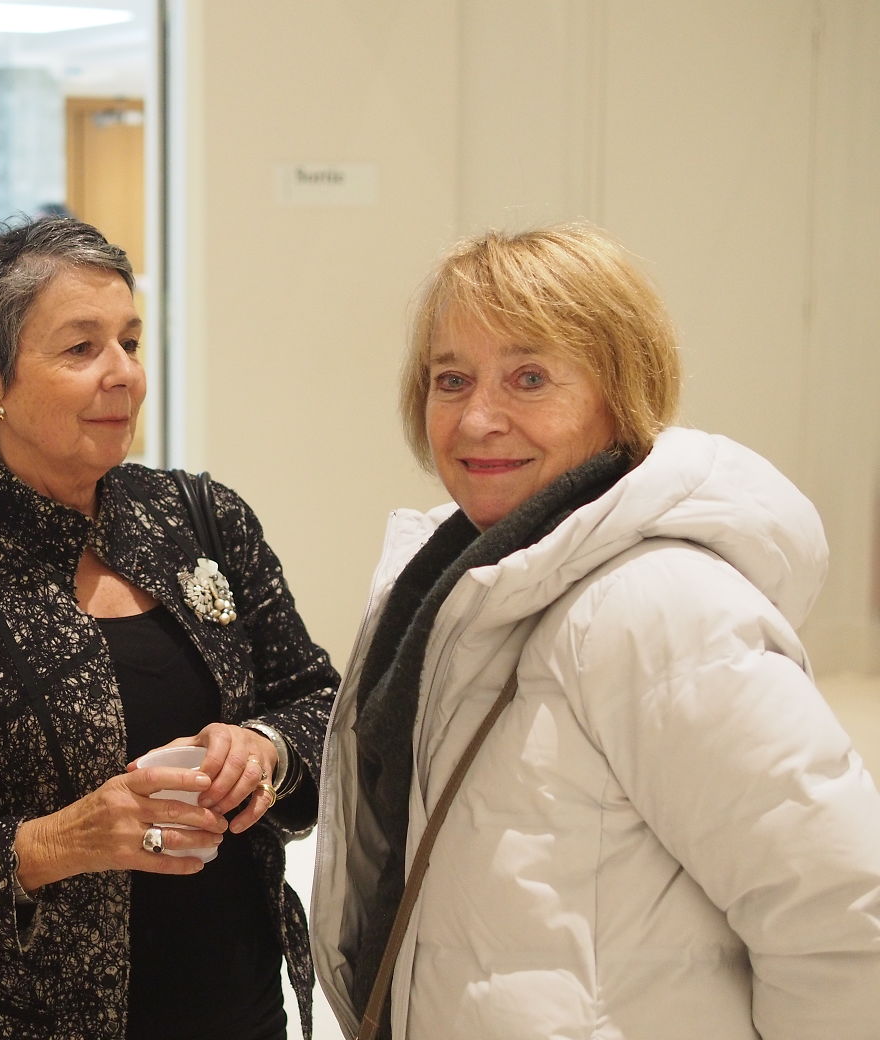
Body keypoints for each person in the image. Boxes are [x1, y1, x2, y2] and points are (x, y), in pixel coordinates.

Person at [311, 223, 880, 1040]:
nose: (478, 419)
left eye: (530, 378)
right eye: (452, 380)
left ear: (622, 393)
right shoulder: (459, 588)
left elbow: (843, 918)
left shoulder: (660, 607)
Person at [0, 215, 340, 1040]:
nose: (124, 374)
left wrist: (265, 747)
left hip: (236, 1004)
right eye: (81, 348)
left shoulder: (201, 520)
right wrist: (60, 842)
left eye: (130, 342)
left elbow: (318, 702)